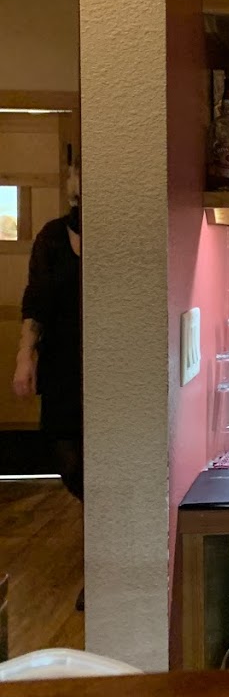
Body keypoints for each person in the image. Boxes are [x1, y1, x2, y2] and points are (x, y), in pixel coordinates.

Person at [12, 159, 83, 501]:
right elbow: (36, 301)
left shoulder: (118, 232)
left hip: (109, 359)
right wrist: (24, 356)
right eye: (76, 175)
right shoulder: (52, 236)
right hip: (60, 359)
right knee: (65, 456)